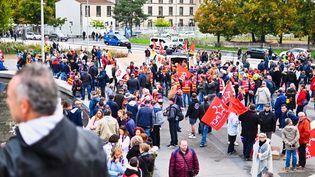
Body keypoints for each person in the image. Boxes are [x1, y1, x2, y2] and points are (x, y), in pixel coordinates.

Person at [3, 63, 108, 177]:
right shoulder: (92, 144)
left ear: (24, 106)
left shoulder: (8, 161)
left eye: (10, 97)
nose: (8, 102)